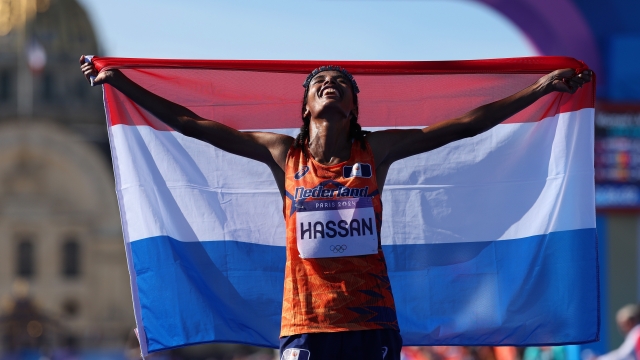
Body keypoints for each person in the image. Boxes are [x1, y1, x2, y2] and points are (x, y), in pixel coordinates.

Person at [80, 56, 591, 360]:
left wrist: (540, 88)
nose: (330, 83)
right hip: (305, 326)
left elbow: (465, 125)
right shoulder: (283, 154)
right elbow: (193, 124)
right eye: (320, 82)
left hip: (370, 326)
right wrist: (123, 84)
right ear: (305, 107)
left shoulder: (378, 152)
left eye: (341, 83)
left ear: (352, 108)